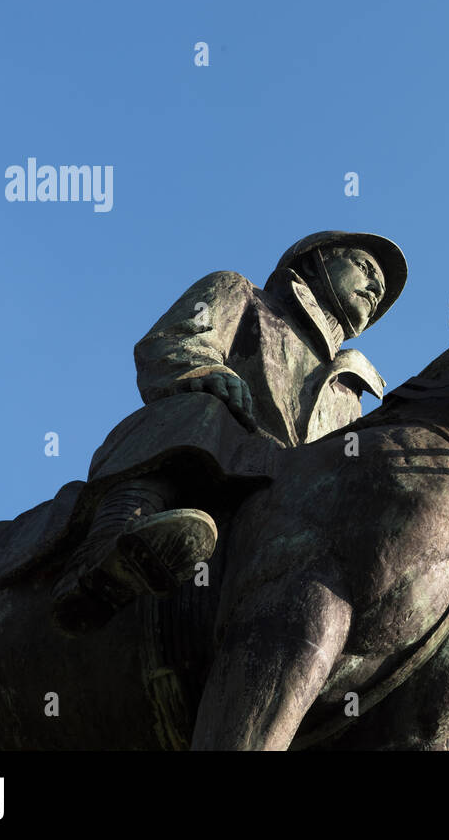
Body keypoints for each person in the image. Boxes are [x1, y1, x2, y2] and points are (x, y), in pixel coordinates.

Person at [50, 231, 406, 635]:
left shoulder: (351, 389)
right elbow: (170, 345)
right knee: (203, 411)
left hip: (287, 499)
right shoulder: (242, 295)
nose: (376, 287)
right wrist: (208, 371)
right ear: (315, 262)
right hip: (222, 451)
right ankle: (107, 548)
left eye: (379, 284)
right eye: (364, 267)